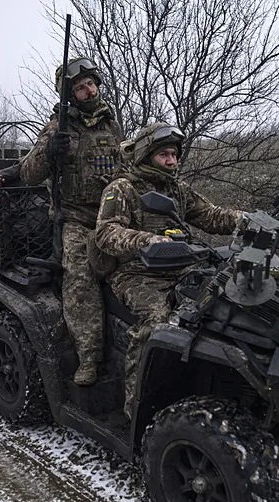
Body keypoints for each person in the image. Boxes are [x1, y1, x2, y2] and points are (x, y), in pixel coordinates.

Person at [95, 122, 245, 419]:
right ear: (147, 155)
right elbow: (105, 233)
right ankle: (136, 403)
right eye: (164, 154)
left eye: (174, 154)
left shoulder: (175, 187)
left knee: (222, 307)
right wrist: (146, 241)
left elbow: (210, 215)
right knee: (157, 320)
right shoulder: (122, 188)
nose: (172, 161)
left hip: (181, 266)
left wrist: (245, 220)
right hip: (137, 273)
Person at [13, 57, 124, 386]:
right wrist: (50, 150)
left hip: (111, 214)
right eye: (79, 87)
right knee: (79, 279)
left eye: (90, 84)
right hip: (74, 218)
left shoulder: (111, 124)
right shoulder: (57, 126)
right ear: (69, 94)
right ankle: (89, 356)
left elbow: (125, 166)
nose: (88, 91)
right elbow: (28, 173)